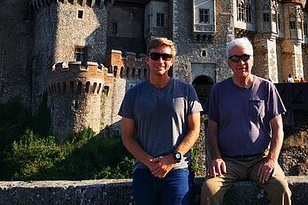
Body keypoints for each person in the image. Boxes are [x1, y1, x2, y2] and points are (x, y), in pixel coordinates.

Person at [200, 37, 291, 205]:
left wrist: (271, 159)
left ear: (253, 60)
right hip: (229, 162)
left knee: (281, 189)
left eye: (245, 57)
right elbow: (211, 130)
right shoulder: (218, 91)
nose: (241, 62)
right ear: (229, 63)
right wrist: (216, 158)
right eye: (235, 58)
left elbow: (278, 128)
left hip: (260, 159)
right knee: (209, 190)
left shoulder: (266, 87)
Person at [119, 37, 203, 205]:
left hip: (178, 170)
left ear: (172, 61)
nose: (161, 61)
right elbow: (127, 137)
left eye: (166, 57)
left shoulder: (186, 90)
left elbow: (195, 130)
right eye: (156, 56)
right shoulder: (133, 95)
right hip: (144, 170)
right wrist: (150, 163)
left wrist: (173, 158)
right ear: (147, 59)